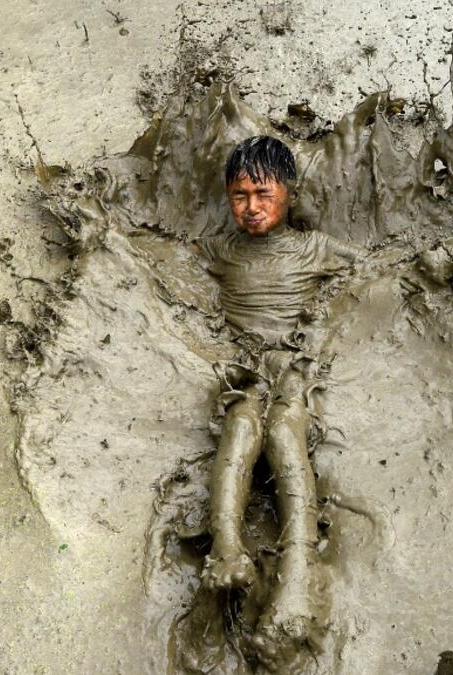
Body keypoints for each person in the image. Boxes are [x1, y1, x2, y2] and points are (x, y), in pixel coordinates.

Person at [193, 136, 361, 656]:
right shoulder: (218, 251)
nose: (252, 207)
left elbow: (368, 274)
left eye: (264, 194)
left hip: (295, 363)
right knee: (241, 424)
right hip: (246, 366)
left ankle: (296, 575)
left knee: (287, 432)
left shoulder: (317, 249)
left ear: (290, 193)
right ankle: (226, 551)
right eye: (239, 196)